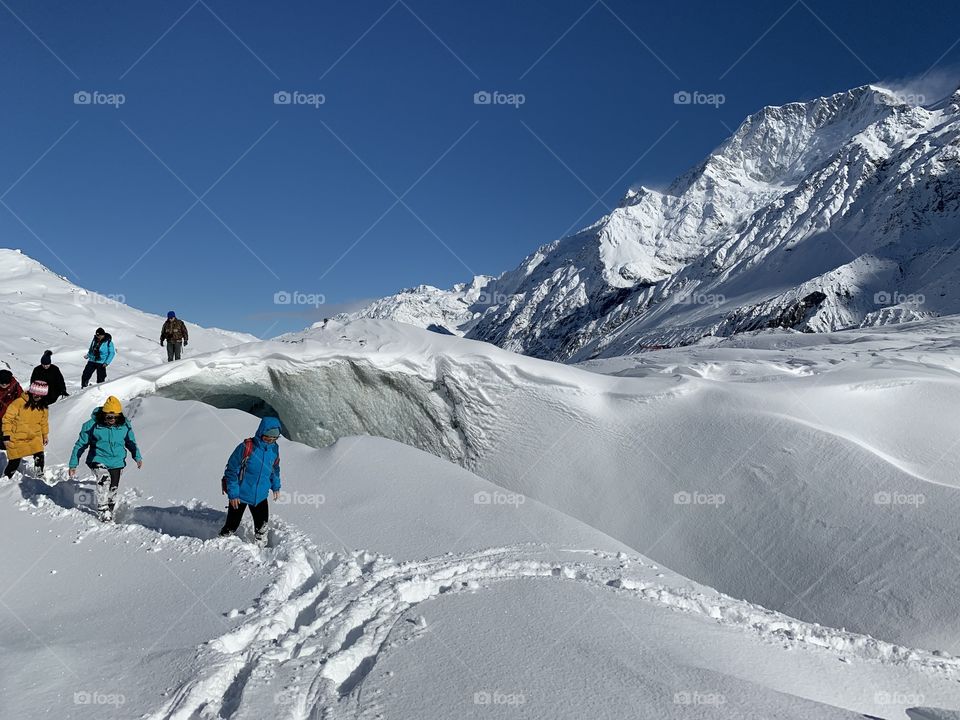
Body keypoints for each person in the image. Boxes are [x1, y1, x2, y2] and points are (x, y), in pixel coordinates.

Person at [67, 396, 143, 522]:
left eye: (115, 417)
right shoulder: (91, 426)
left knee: (113, 487)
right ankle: (102, 509)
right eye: (109, 417)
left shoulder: (125, 425)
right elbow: (80, 445)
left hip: (117, 461)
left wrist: (137, 457)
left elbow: (131, 442)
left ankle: (110, 509)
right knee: (104, 479)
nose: (112, 419)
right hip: (97, 458)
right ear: (104, 414)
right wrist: (73, 464)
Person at [219, 417, 282, 548]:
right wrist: (233, 493)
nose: (270, 442)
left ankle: (261, 551)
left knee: (262, 529)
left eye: (273, 439)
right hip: (240, 496)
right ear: (260, 433)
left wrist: (276, 486)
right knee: (231, 526)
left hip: (260, 497)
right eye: (267, 438)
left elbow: (274, 469)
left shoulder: (274, 449)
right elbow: (231, 471)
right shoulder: (247, 447)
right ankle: (218, 545)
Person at [2, 381, 49, 478]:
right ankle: (6, 479)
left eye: (41, 395)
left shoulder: (43, 406)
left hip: (34, 437)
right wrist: (6, 436)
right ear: (31, 392)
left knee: (39, 455)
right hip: (16, 438)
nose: (38, 397)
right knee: (14, 462)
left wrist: (45, 435)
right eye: (36, 394)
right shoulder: (18, 403)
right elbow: (7, 419)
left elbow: (44, 422)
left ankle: (39, 475)